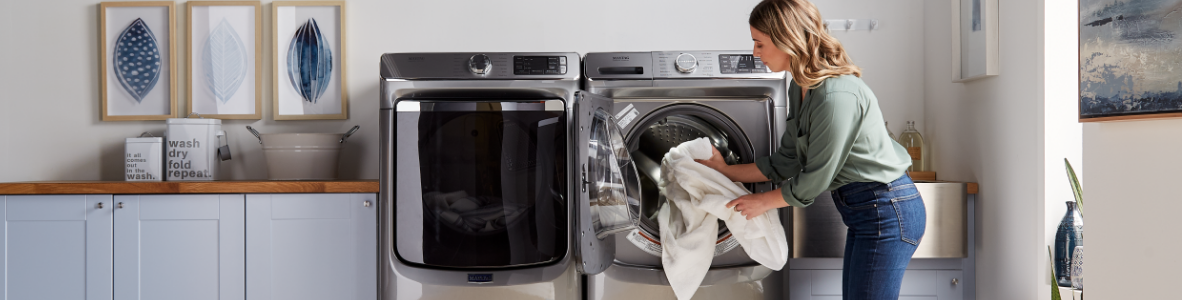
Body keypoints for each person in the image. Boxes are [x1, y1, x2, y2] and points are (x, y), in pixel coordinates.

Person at [694, 0, 927, 299]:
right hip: (864, 210)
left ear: (786, 39)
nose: (755, 52)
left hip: (886, 208)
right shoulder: (800, 86)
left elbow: (815, 179)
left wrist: (762, 201)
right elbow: (786, 160)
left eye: (759, 43)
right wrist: (725, 170)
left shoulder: (836, 95)